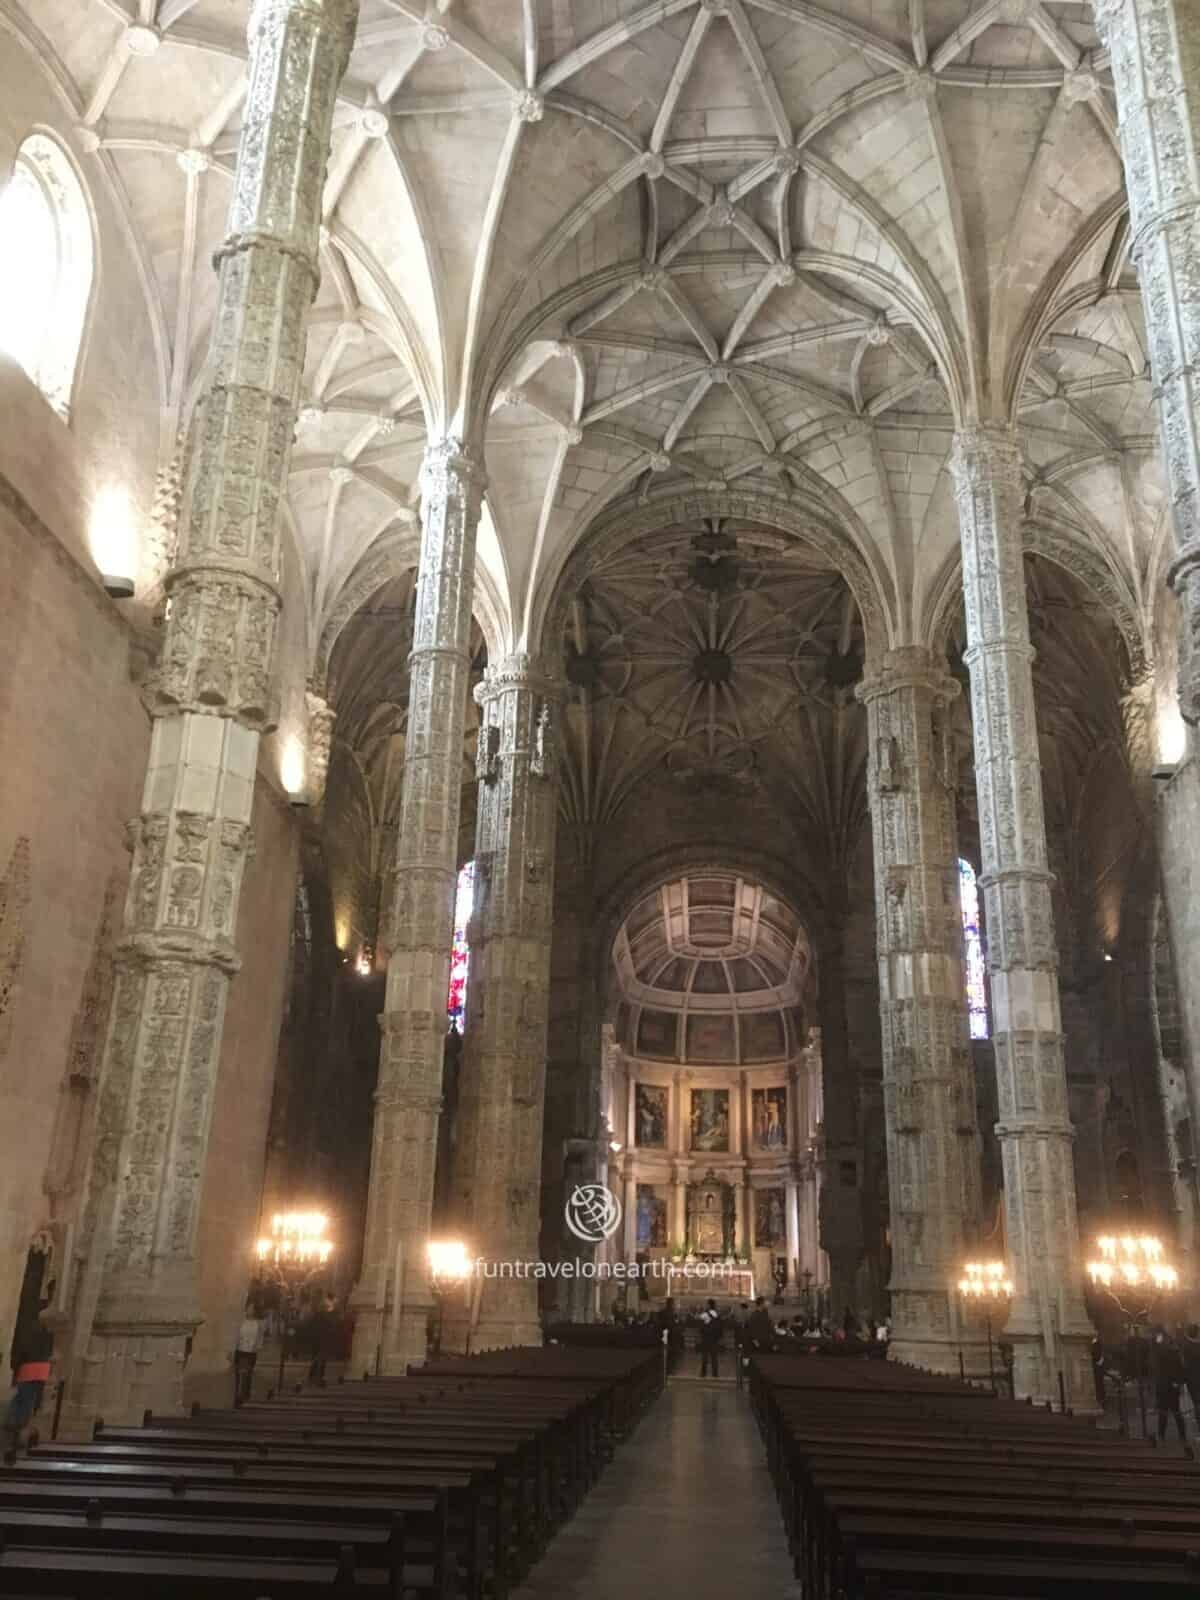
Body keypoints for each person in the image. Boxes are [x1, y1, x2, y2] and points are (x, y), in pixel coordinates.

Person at [4, 1298, 53, 1448]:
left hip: (29, 1368)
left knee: (22, 1398)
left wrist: (15, 1366)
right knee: (30, 1400)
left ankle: (15, 1425)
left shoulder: (29, 1328)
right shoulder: (49, 1330)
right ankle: (21, 1427)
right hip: (42, 1368)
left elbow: (22, 1349)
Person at [1152, 1327, 1187, 1443]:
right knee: (1173, 1412)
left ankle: (1163, 1435)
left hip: (1165, 1386)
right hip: (1170, 1386)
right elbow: (1181, 1369)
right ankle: (1181, 1436)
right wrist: (1179, 1382)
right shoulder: (1173, 1351)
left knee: (1165, 1412)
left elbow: (1178, 1369)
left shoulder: (1162, 1350)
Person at [233, 1299, 264, 1407]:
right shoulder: (241, 1322)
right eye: (248, 1308)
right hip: (240, 1351)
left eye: (251, 1308)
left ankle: (244, 1396)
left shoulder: (258, 1323)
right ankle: (238, 1396)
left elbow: (260, 1339)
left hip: (250, 1352)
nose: (249, 1310)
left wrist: (256, 1348)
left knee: (247, 1375)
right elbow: (236, 1337)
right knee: (239, 1374)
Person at [697, 1298, 722, 1378]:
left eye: (707, 1304)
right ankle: (715, 1373)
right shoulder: (716, 1314)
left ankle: (703, 1373)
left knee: (705, 1356)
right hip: (714, 1338)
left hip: (706, 1337)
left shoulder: (705, 1314)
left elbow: (699, 1320)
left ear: (709, 1305)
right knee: (714, 1357)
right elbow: (719, 1326)